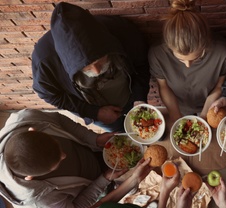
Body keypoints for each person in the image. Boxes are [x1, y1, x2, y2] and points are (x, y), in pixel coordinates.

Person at [32, 2, 150, 132]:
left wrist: (139, 97)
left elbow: (141, 65)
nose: (97, 71)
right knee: (120, 134)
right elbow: (50, 95)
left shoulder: (123, 31)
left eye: (100, 62)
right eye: (87, 68)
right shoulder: (45, 62)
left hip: (131, 97)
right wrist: (95, 113)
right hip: (98, 112)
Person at [0, 109, 128, 208]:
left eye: (57, 144)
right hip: (94, 185)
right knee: (120, 185)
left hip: (94, 150)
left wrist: (94, 139)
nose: (64, 155)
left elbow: (59, 119)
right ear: (31, 178)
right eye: (57, 164)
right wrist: (104, 179)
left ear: (33, 130)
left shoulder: (27, 118)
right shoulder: (40, 204)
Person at [148, 0, 226, 121]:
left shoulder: (223, 52)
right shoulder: (157, 53)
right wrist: (175, 115)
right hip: (177, 106)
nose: (188, 65)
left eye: (196, 58)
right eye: (181, 59)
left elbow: (219, 86)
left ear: (205, 45)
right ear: (168, 46)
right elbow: (163, 86)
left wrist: (203, 117)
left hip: (209, 105)